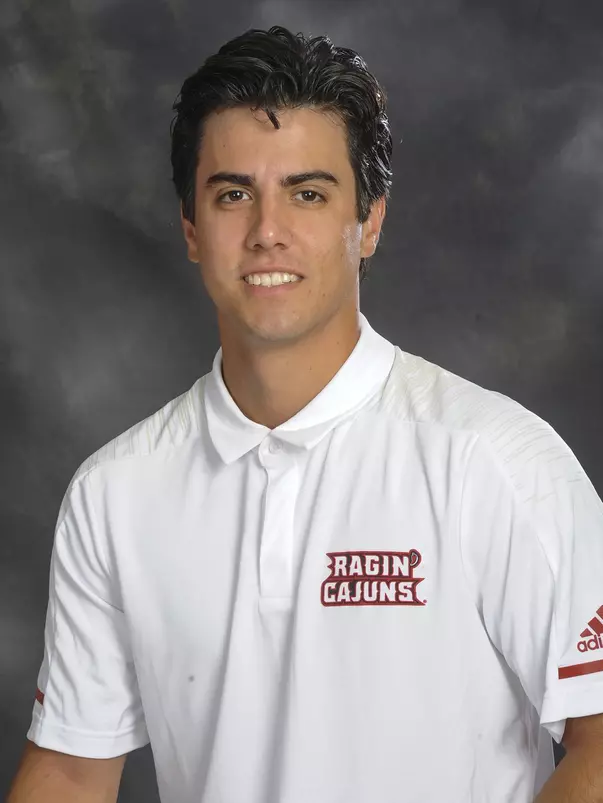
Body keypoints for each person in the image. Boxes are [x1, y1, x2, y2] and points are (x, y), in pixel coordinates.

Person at [7, 24, 603, 803]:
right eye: (232, 194)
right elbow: (70, 769)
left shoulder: (496, 462)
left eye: (308, 193)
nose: (267, 232)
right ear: (191, 227)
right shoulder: (114, 492)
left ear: (371, 220)